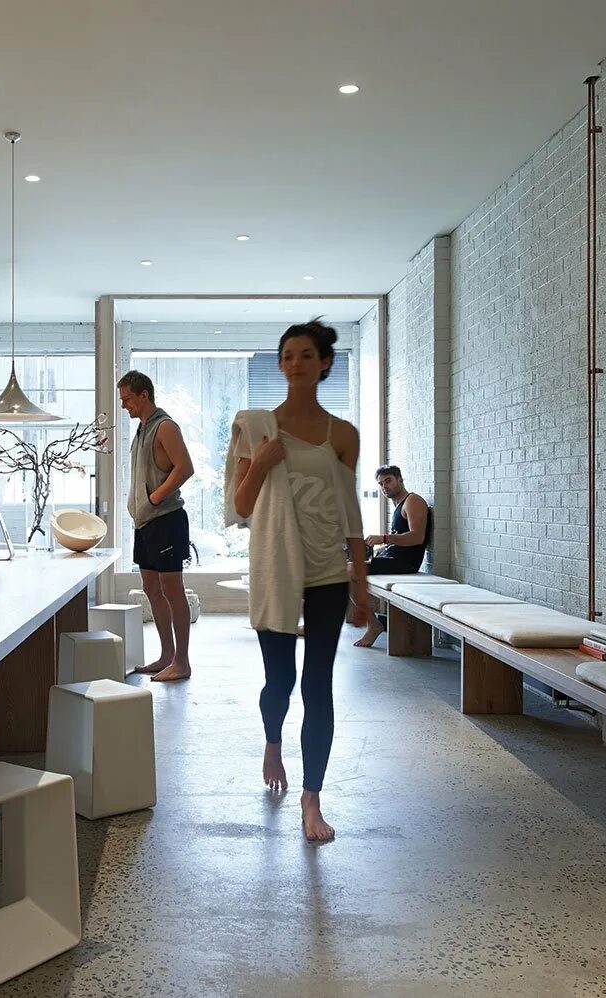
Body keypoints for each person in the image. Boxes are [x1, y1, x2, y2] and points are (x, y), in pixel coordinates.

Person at [227, 321, 367, 842]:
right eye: (287, 355)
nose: (295, 364)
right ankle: (272, 742)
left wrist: (360, 580)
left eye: (306, 355)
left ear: (324, 362)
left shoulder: (343, 434)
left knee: (318, 684)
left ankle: (312, 798)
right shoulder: (258, 428)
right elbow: (242, 506)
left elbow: (350, 511)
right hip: (275, 567)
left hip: (327, 571)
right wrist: (261, 464)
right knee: (280, 681)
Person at [118, 370, 197, 682]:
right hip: (146, 522)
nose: (123, 405)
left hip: (166, 520)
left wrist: (154, 497)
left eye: (127, 399)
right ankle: (166, 655)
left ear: (144, 395)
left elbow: (185, 467)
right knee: (151, 588)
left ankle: (182, 662)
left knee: (171, 589)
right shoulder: (142, 429)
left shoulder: (164, 426)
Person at [353, 465, 433, 648]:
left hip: (404, 563)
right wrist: (382, 547)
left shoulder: (412, 501)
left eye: (388, 481)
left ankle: (373, 625)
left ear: (400, 479)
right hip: (393, 558)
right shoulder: (399, 504)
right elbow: (400, 539)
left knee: (347, 571)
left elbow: (417, 537)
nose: (384, 487)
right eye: (381, 484)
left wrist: (384, 538)